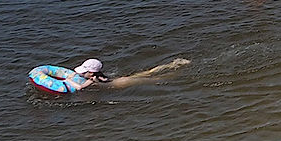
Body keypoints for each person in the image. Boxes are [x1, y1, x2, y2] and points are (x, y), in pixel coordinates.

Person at [56, 57, 190, 91]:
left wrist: (68, 80)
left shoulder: (92, 79)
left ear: (90, 73)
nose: (80, 74)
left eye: (83, 72)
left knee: (155, 79)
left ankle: (177, 74)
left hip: (123, 83)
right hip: (120, 79)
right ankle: (173, 64)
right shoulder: (98, 75)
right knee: (148, 72)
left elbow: (79, 88)